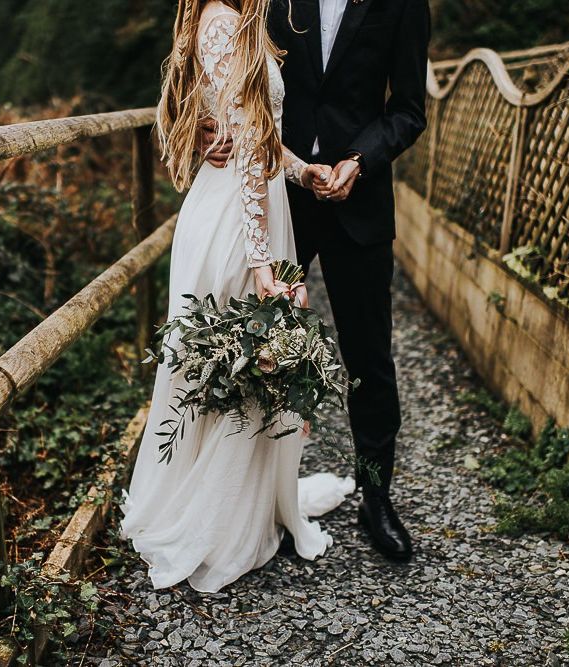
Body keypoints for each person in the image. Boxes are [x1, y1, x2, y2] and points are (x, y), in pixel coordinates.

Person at [119, 0, 356, 593]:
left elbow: (257, 136)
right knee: (235, 362)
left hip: (253, 210)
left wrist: (305, 173)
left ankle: (239, 511)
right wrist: (259, 261)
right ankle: (213, 524)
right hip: (234, 223)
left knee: (244, 368)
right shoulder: (223, 23)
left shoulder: (238, 20)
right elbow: (248, 140)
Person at [203, 0, 431, 562]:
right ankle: (251, 500)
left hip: (362, 202)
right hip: (282, 203)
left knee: (370, 359)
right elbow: (228, 77)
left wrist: (361, 160)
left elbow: (407, 110)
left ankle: (376, 496)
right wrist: (209, 128)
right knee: (255, 345)